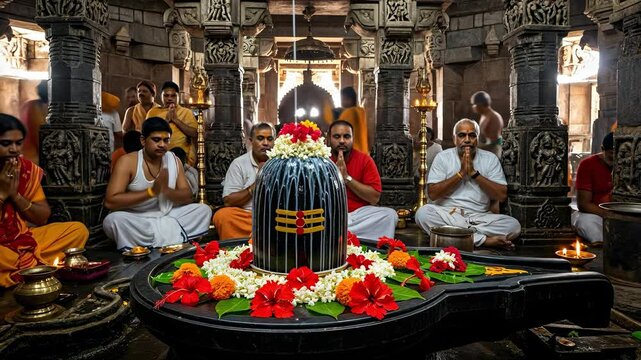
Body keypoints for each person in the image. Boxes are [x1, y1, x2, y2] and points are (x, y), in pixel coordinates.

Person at [0, 114, 89, 287]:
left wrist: (15, 195)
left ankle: (22, 268)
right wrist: (2, 194)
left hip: (22, 237)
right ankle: (29, 267)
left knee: (78, 230)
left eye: (18, 143)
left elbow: (41, 217)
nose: (14, 149)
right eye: (6, 143)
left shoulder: (25, 169)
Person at [103, 117, 211, 249]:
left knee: (203, 210)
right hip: (137, 218)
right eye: (156, 140)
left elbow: (188, 196)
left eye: (166, 140)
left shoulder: (173, 160)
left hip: (168, 214)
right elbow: (110, 201)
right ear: (143, 140)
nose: (162, 145)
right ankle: (175, 238)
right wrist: (151, 192)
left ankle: (149, 242)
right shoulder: (128, 162)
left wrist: (167, 191)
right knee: (113, 221)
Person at [415, 118, 521, 248]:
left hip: (479, 217)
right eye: (462, 135)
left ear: (477, 138)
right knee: (423, 213)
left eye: (472, 135)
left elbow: (501, 195)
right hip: (448, 214)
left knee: (514, 226)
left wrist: (474, 173)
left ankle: (454, 235)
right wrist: (461, 173)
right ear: (454, 139)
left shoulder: (490, 159)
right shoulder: (443, 157)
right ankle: (483, 240)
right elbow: (433, 194)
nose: (467, 140)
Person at [328, 120, 398, 240]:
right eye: (336, 136)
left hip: (358, 215)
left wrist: (347, 178)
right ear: (328, 139)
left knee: (390, 215)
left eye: (346, 136)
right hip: (330, 213)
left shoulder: (364, 160)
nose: (342, 141)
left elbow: (374, 198)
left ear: (353, 139)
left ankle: (339, 235)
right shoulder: (320, 160)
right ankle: (349, 236)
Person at [213, 123, 275, 240]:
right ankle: (239, 252)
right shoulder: (239, 164)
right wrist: (257, 183)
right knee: (223, 216)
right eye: (260, 138)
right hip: (247, 218)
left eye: (270, 139)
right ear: (251, 141)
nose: (266, 143)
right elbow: (228, 201)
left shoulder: (282, 162)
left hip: (274, 217)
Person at [571, 132, 614, 245]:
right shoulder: (588, 165)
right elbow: (583, 204)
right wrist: (609, 215)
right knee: (589, 225)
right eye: (611, 154)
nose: (616, 158)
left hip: (621, 214)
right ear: (602, 149)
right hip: (595, 214)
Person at [146, 81, 198, 166]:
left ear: (178, 96)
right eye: (166, 96)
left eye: (173, 95)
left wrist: (176, 120)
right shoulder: (153, 112)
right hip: (157, 155)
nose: (169, 99)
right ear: (161, 96)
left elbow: (195, 133)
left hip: (181, 156)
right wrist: (166, 121)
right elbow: (147, 133)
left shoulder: (186, 112)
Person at [19, 80, 48, 164]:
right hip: (35, 161)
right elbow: (39, 137)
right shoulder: (37, 108)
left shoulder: (27, 104)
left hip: (25, 157)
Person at [335, 87, 368, 154]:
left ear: (350, 99)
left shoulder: (348, 113)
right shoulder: (361, 111)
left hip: (351, 150)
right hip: (364, 149)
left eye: (343, 99)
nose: (342, 102)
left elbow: (337, 131)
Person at [471, 91, 504, 157]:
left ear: (481, 105)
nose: (473, 107)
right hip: (487, 148)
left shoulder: (494, 117)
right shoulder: (484, 115)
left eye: (475, 105)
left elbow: (494, 142)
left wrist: (476, 148)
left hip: (495, 151)